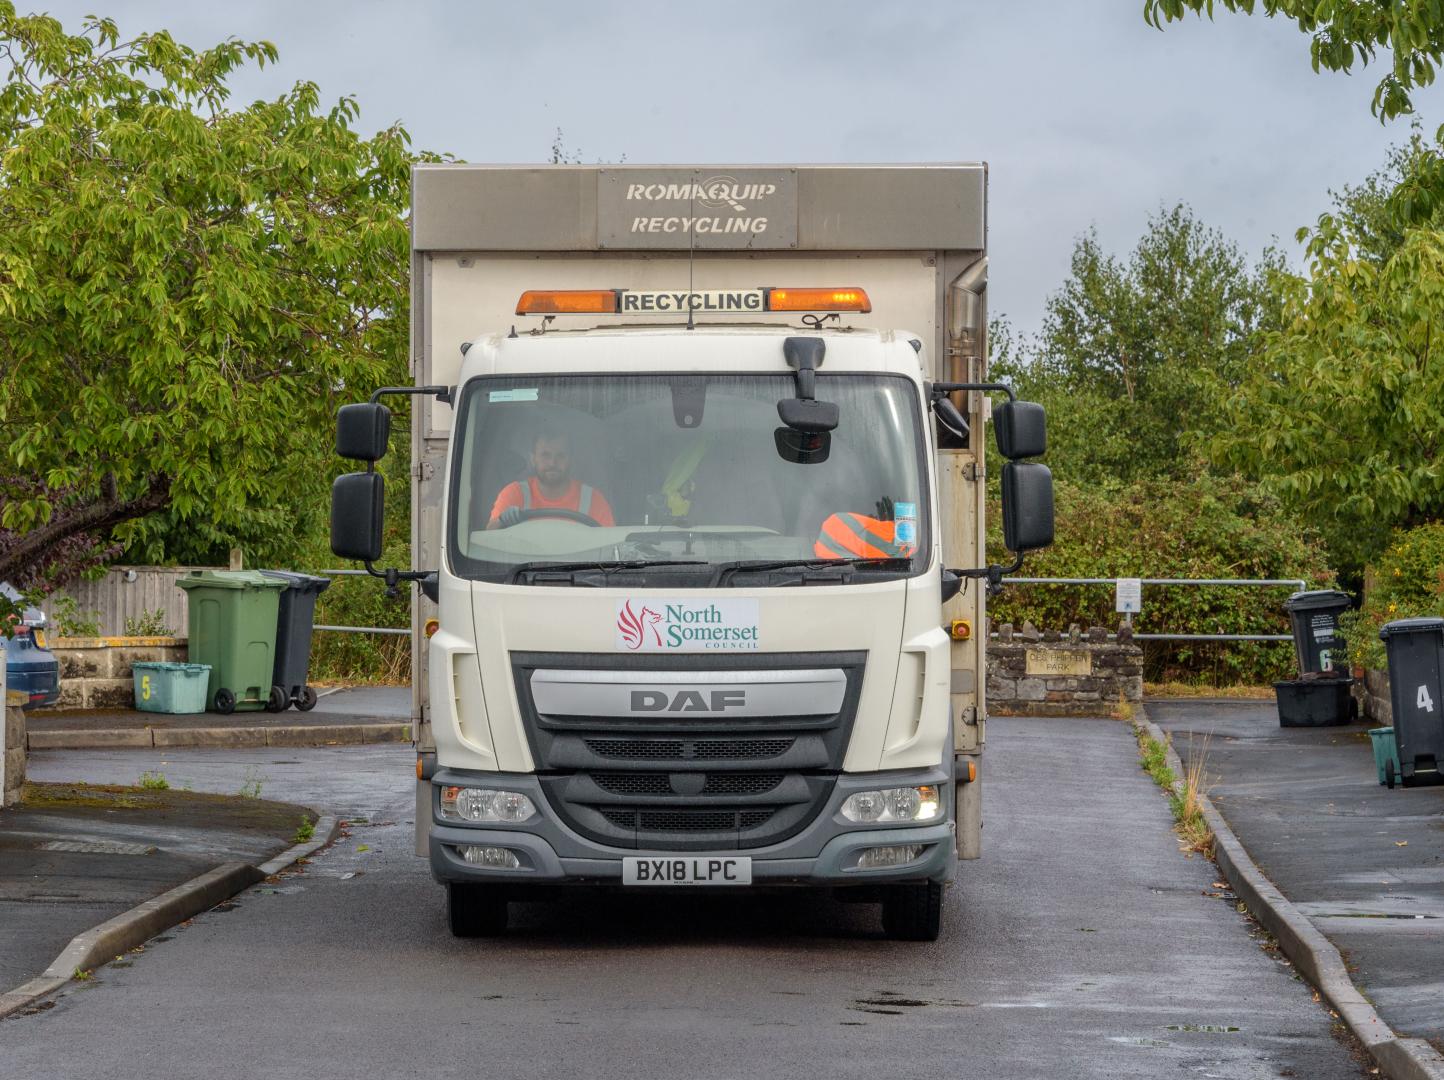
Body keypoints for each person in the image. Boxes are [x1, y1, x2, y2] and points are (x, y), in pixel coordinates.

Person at [488, 428, 615, 528]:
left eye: (560, 456)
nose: (552, 463)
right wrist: (502, 521)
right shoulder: (514, 493)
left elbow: (610, 547)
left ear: (571, 460)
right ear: (533, 459)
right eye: (545, 455)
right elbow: (489, 538)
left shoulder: (593, 499)